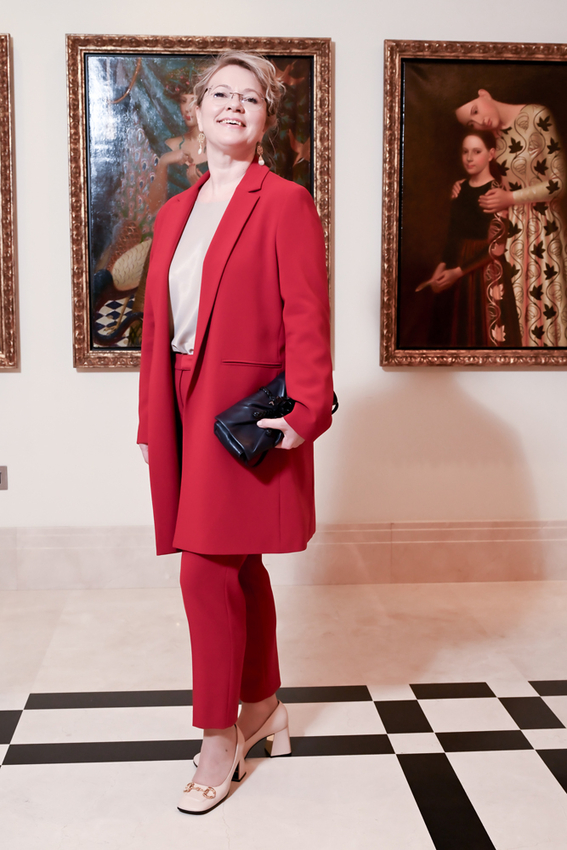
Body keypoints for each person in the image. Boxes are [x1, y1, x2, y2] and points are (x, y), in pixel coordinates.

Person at [137, 51, 334, 815]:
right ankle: (264, 706)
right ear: (195, 110)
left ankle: (219, 735)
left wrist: (306, 409)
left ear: (264, 118)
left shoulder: (283, 201)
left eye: (248, 98)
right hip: (181, 400)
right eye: (219, 93)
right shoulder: (173, 212)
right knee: (237, 564)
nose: (232, 106)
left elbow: (305, 312)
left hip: (242, 406)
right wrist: (153, 416)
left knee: (206, 569)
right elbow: (160, 327)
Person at [455, 89, 567, 346]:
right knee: (516, 308)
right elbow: (499, 182)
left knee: (545, 308)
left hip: (544, 229)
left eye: (475, 110)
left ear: (484, 94)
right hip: (514, 233)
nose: (479, 121)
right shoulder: (493, 136)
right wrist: (464, 185)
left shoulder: (537, 115)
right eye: (471, 123)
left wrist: (511, 198)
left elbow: (560, 183)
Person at [418, 129, 521, 347]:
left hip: (486, 271)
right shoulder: (460, 189)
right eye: (465, 152)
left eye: (476, 151)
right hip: (456, 267)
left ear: (491, 154)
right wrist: (441, 268)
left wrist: (457, 272)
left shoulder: (496, 191)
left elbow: (497, 247)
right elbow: (452, 235)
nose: (469, 158)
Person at [147, 78, 209, 215]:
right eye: (183, 101)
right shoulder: (170, 146)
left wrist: (197, 187)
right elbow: (153, 207)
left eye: (193, 101)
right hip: (173, 223)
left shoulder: (220, 149)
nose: (187, 108)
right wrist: (164, 161)